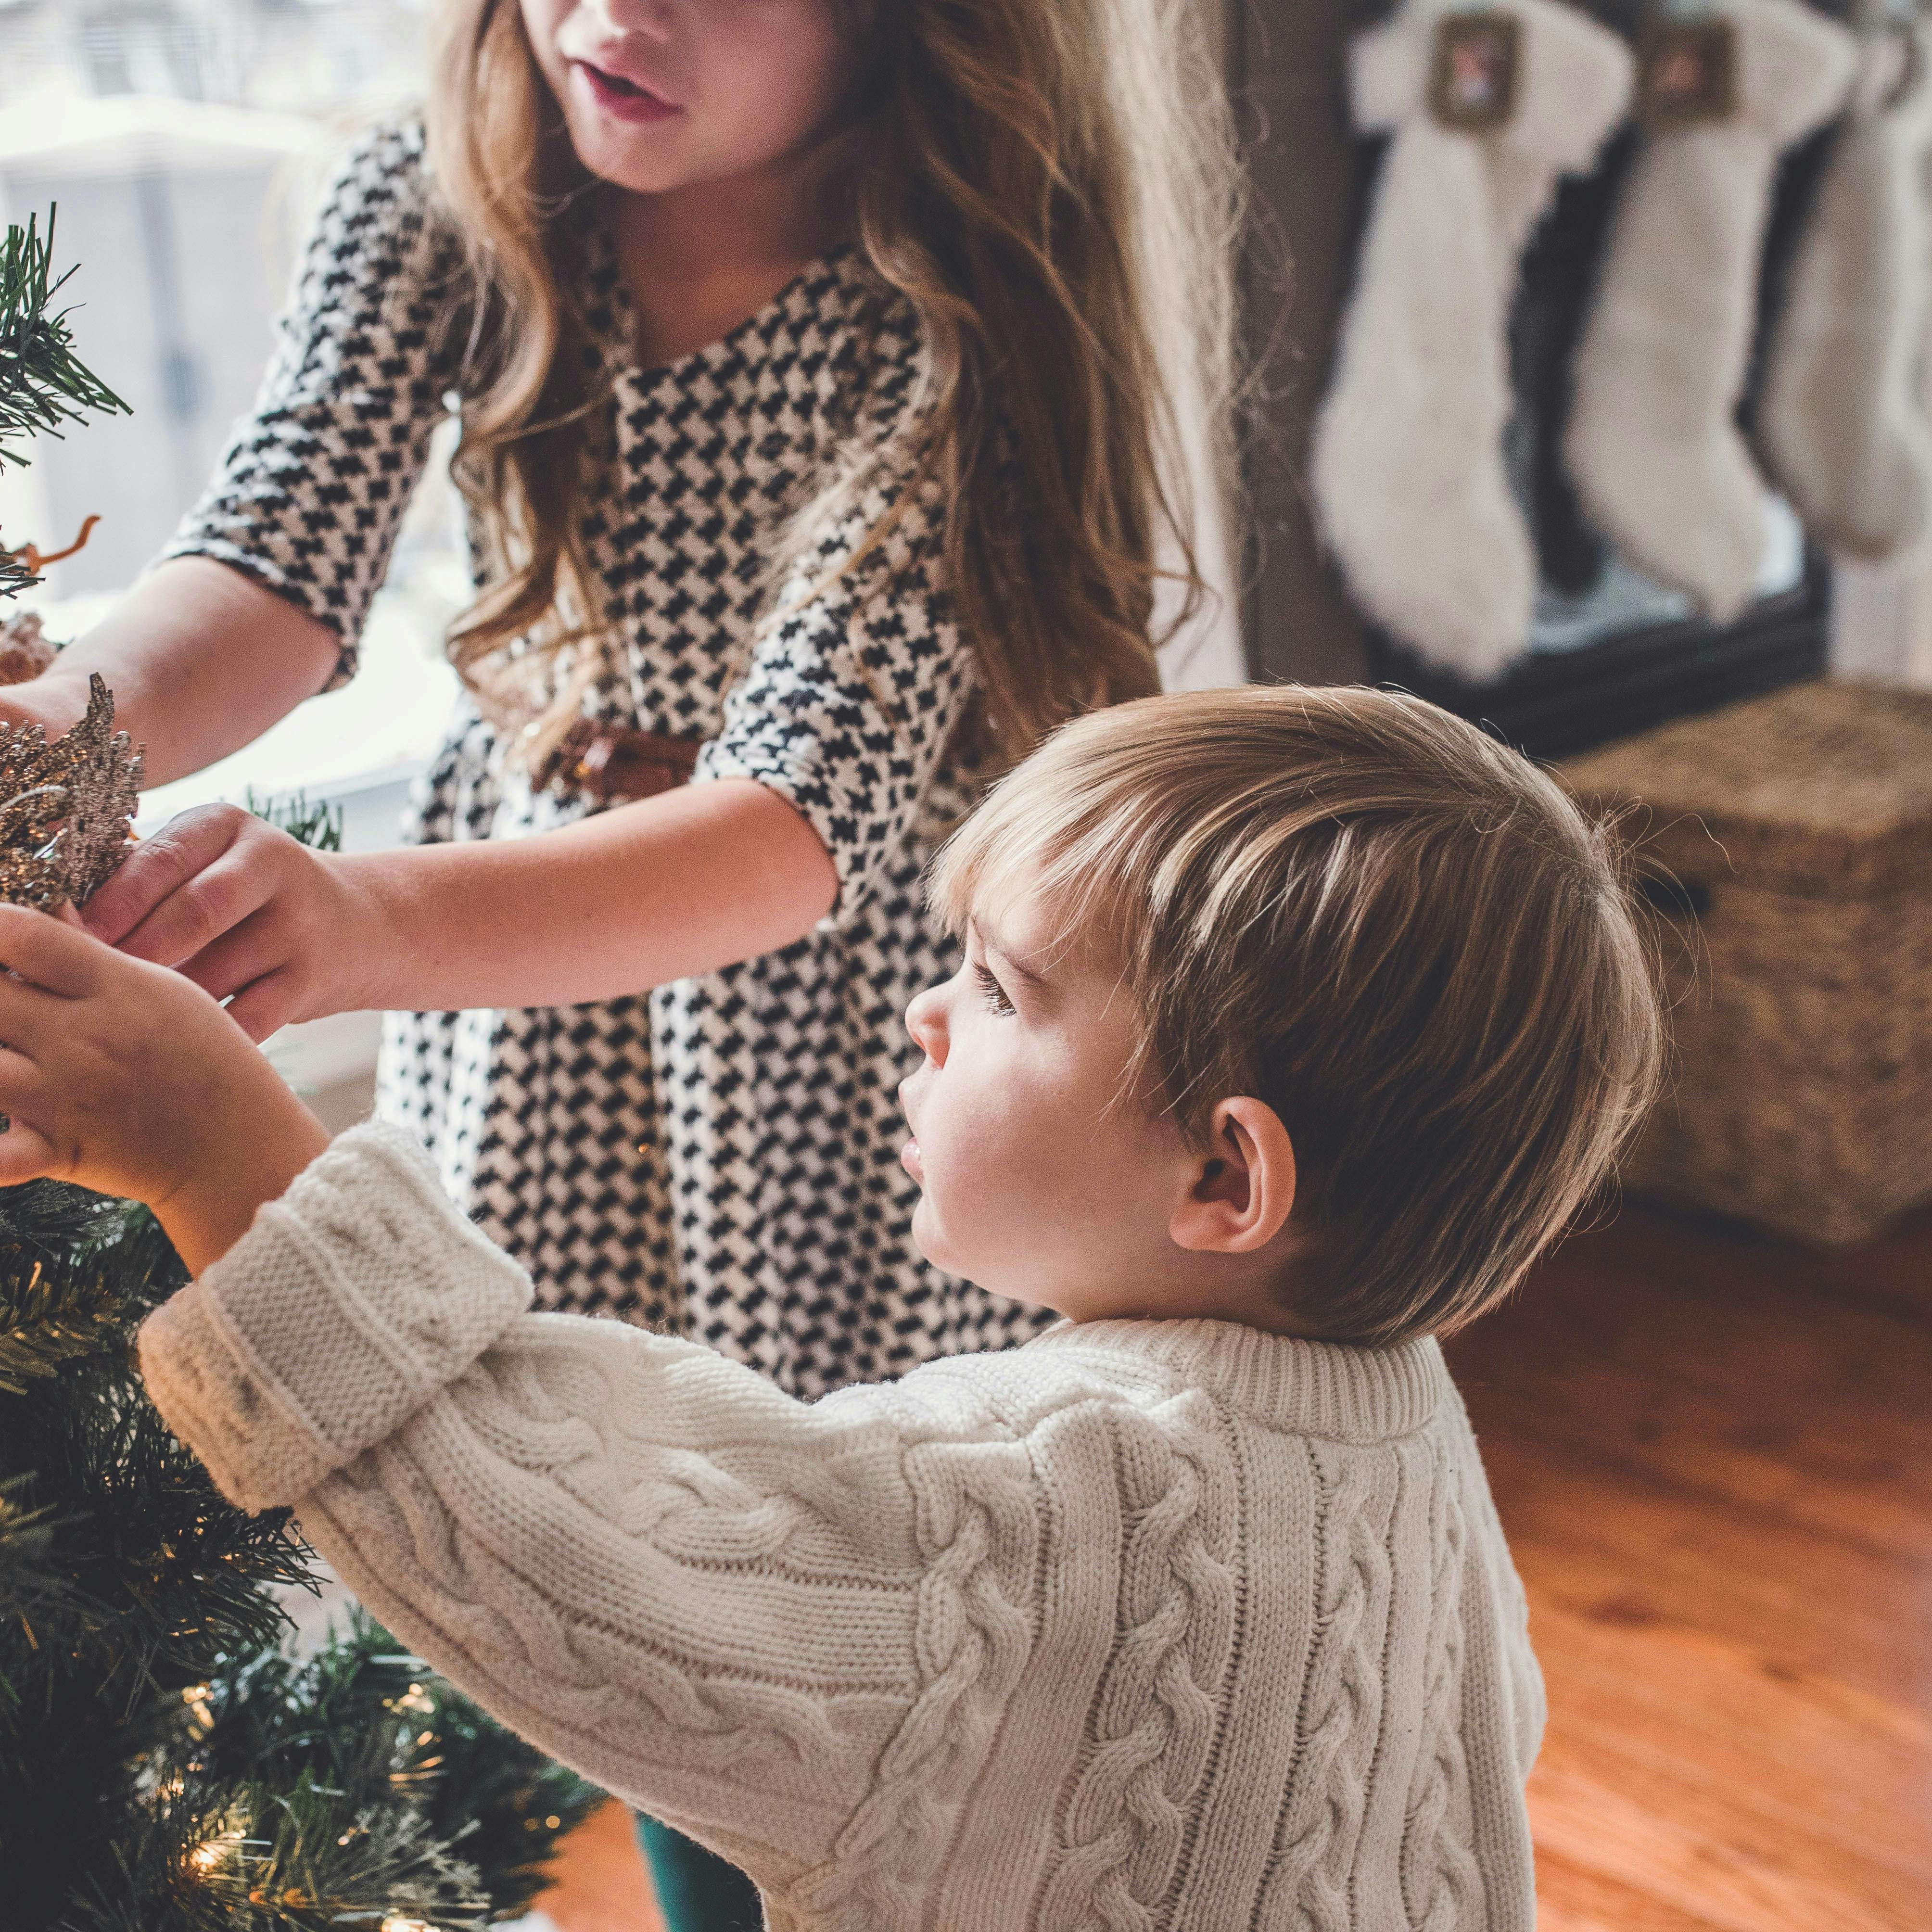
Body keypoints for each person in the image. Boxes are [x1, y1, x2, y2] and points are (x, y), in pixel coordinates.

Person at [0, 7, 1235, 1908]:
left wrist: (359, 923)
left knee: (814, 1607)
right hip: (543, 1040)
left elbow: (791, 825)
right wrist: (67, 729)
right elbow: (271, 559)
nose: (609, 13)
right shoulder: (450, 206)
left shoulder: (950, 302)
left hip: (833, 1055)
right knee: (607, 1571)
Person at [0, 684, 1665, 1932]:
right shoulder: (1405, 1420)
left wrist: (223, 1153)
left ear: (1226, 1183)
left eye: (1004, 990)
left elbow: (560, 1548)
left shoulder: (1040, 1496)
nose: (932, 1013)